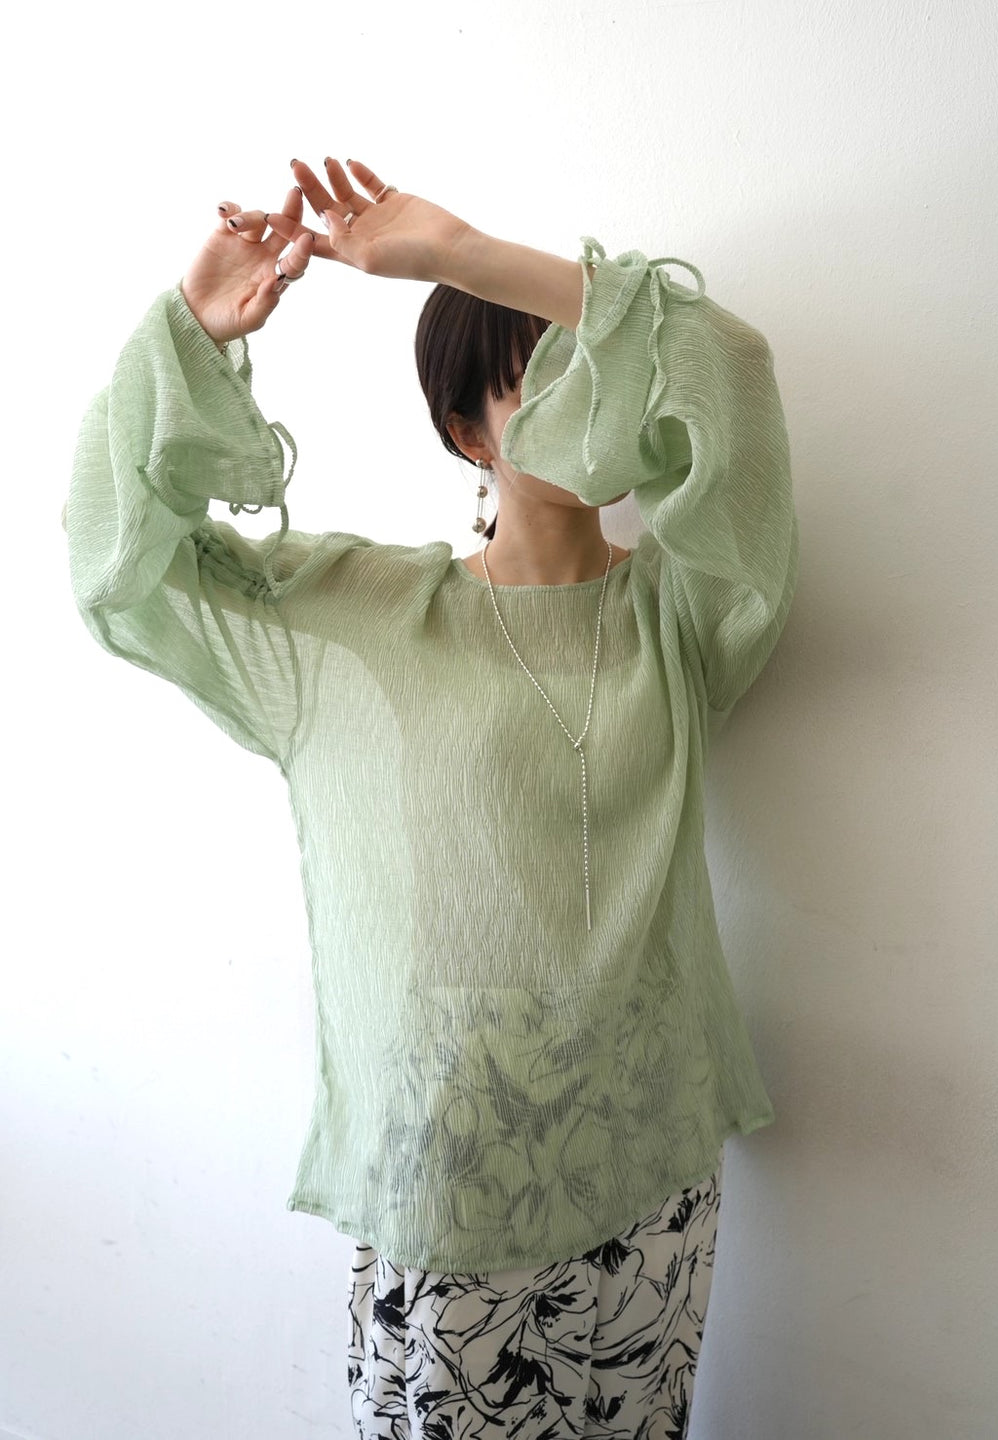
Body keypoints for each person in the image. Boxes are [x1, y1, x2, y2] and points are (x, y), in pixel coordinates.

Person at [62, 155, 800, 1439]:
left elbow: (728, 366)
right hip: (455, 1173)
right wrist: (192, 330)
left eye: (591, 370)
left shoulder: (683, 614)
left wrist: (465, 255)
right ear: (469, 431)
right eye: (537, 379)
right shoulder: (362, 615)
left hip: (653, 1158)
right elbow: (120, 565)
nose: (580, 403)